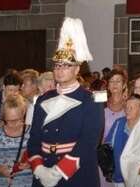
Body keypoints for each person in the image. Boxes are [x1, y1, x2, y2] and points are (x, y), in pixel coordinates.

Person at [27, 18, 104, 187]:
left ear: (77, 69)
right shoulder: (43, 99)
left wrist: (58, 171)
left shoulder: (91, 100)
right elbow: (33, 139)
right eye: (57, 66)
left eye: (66, 66)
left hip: (76, 174)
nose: (59, 70)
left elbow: (88, 142)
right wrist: (39, 168)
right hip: (44, 169)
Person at [106, 94, 140, 186]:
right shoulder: (118, 123)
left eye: (131, 108)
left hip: (139, 178)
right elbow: (107, 146)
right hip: (119, 178)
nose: (127, 110)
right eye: (126, 107)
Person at [102, 70, 128, 187]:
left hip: (124, 157)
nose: (115, 84)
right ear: (108, 85)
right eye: (111, 81)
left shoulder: (130, 105)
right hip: (104, 158)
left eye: (118, 81)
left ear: (123, 85)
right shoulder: (101, 105)